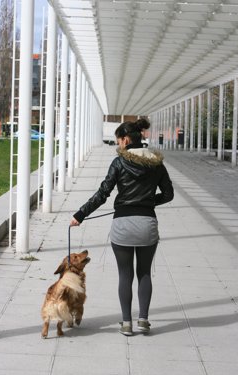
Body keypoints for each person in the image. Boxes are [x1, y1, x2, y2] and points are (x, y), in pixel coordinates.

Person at [70, 118, 174, 336]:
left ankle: (127, 323)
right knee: (144, 273)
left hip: (123, 225)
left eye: (118, 141)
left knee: (125, 276)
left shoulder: (118, 163)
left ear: (126, 140)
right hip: (147, 224)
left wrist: (80, 214)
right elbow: (168, 194)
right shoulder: (156, 162)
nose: (118, 146)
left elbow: (102, 194)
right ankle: (143, 320)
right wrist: (147, 202)